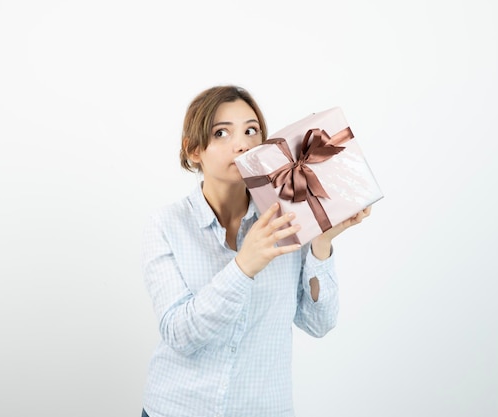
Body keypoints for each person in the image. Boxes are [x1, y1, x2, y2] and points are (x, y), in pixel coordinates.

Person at [140, 85, 371, 417]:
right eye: (221, 133)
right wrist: (244, 265)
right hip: (177, 409)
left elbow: (318, 324)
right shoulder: (166, 225)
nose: (242, 144)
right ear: (193, 151)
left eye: (252, 130)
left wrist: (322, 242)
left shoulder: (290, 215)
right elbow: (180, 334)